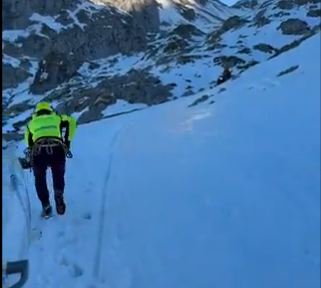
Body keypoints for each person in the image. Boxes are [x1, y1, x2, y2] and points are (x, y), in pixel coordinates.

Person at [24, 102, 77, 217]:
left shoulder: (31, 124)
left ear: (36, 112)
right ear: (49, 110)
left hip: (39, 151)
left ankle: (45, 205)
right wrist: (67, 141)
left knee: (40, 179)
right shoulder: (57, 118)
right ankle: (59, 195)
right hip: (57, 148)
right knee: (58, 174)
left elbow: (28, 143)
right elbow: (72, 121)